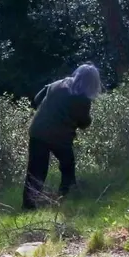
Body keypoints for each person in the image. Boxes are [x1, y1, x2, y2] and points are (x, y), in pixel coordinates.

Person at [23, 63, 101, 209]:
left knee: (35, 171)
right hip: (60, 138)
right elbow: (83, 122)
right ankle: (66, 197)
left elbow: (37, 99)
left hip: (38, 131)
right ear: (92, 82)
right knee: (67, 166)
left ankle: (28, 206)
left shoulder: (58, 83)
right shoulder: (83, 98)